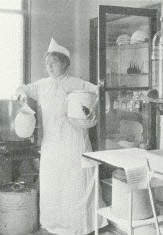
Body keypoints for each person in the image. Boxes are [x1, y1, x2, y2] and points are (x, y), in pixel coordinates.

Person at [16, 38, 107, 235]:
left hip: (75, 143)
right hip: (51, 144)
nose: (49, 66)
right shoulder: (42, 85)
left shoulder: (76, 82)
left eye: (53, 62)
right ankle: (54, 226)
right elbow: (23, 88)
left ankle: (81, 228)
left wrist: (95, 109)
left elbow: (99, 91)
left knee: (76, 185)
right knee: (53, 186)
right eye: (47, 63)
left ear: (64, 63)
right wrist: (23, 96)